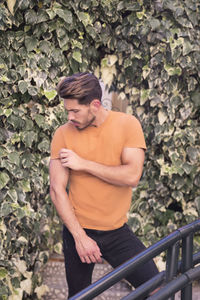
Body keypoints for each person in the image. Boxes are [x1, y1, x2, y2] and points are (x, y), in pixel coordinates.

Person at [49, 72, 159, 298]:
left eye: (75, 110)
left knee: (156, 286)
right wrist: (80, 238)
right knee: (79, 296)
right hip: (77, 230)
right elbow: (56, 190)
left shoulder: (127, 125)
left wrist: (83, 164)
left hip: (117, 231)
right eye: (67, 110)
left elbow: (132, 176)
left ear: (95, 105)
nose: (70, 116)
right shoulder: (62, 134)